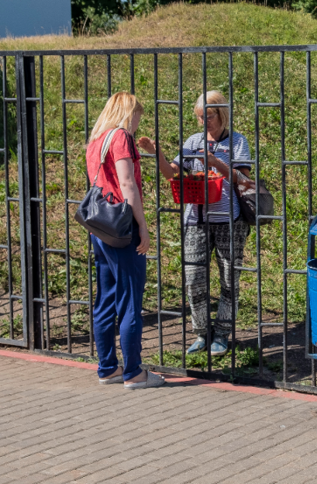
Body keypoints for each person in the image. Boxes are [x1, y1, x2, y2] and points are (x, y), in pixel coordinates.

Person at [138, 90, 251, 357]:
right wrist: (157, 154)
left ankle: (221, 335)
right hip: (196, 219)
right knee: (193, 279)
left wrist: (216, 164)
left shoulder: (236, 142)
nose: (203, 122)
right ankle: (202, 333)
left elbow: (243, 180)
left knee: (229, 278)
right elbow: (172, 174)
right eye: (200, 117)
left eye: (208, 116)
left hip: (229, 219)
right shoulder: (193, 141)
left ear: (221, 113)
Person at [86, 92, 165, 389]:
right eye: (137, 117)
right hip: (123, 227)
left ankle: (107, 367)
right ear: (127, 113)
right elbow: (127, 183)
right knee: (130, 297)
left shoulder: (97, 140)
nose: (136, 124)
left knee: (105, 299)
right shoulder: (120, 137)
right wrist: (142, 226)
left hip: (100, 228)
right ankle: (134, 372)